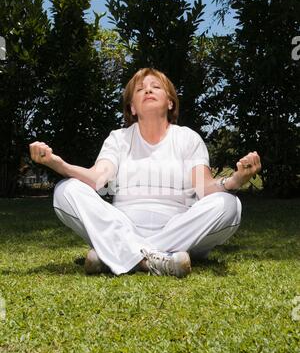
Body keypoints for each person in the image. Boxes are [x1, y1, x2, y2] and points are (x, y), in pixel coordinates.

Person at [29, 68, 261, 278]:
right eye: (140, 89)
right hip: (122, 226)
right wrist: (58, 164)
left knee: (229, 205)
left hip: (180, 231)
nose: (148, 89)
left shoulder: (187, 138)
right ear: (132, 107)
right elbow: (97, 179)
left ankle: (117, 255)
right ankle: (153, 260)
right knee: (66, 190)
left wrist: (236, 179)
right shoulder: (118, 139)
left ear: (170, 103)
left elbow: (205, 189)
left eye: (156, 87)